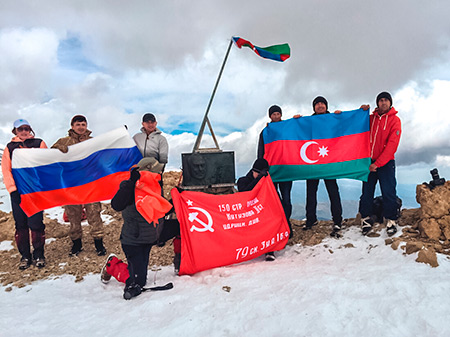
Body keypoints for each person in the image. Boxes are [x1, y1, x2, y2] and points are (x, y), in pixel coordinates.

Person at [105, 157, 179, 300]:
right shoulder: (129, 187)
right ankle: (112, 264)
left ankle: (180, 262)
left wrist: (177, 199)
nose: (160, 174)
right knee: (138, 282)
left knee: (180, 227)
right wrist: (131, 184)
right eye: (157, 171)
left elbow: (160, 211)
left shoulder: (155, 187)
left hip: (153, 234)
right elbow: (116, 205)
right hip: (134, 242)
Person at [51, 115, 106, 256]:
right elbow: (49, 157)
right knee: (73, 215)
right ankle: (76, 245)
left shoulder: (93, 142)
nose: (81, 127)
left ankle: (99, 244)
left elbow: (103, 157)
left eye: (83, 124)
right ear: (72, 126)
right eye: (78, 124)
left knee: (94, 214)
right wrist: (58, 150)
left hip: (90, 185)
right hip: (71, 185)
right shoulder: (64, 142)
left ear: (86, 126)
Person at [1, 119, 47, 269]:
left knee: (36, 224)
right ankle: (25, 256)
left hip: (34, 192)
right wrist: (12, 190)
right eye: (20, 129)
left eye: (26, 128)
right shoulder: (10, 147)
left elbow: (47, 164)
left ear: (30, 130)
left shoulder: (39, 144)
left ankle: (39, 254)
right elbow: (6, 170)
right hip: (18, 192)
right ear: (15, 131)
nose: (24, 131)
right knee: (21, 225)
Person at [359, 92, 401, 236]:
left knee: (388, 192)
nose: (383, 103)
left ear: (390, 103)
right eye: (381, 100)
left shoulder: (395, 120)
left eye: (386, 100)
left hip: (386, 163)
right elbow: (354, 126)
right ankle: (366, 219)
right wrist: (360, 112)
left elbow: (392, 145)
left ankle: (391, 220)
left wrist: (378, 163)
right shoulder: (370, 119)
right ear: (377, 103)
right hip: (368, 162)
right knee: (367, 192)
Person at [304, 97, 343, 235]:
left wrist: (342, 117)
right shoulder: (308, 122)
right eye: (317, 104)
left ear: (326, 106)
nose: (320, 106)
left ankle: (337, 221)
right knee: (310, 192)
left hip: (328, 162)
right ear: (313, 107)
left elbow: (344, 128)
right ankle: (310, 220)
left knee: (333, 192)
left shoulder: (333, 119)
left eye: (322, 103)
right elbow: (298, 132)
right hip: (313, 163)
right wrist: (296, 120)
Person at [257, 105, 297, 238]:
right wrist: (261, 169)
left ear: (281, 115)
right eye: (273, 114)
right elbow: (261, 152)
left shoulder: (287, 128)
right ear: (270, 116)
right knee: (274, 200)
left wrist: (298, 120)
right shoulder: (265, 132)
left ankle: (286, 224)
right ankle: (277, 225)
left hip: (286, 171)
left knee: (286, 199)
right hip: (272, 171)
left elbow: (298, 132)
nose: (276, 116)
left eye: (278, 114)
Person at [237, 158, 276, 261]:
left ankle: (269, 250)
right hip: (246, 215)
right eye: (258, 174)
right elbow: (246, 192)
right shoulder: (242, 180)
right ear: (253, 171)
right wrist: (259, 180)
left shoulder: (266, 184)